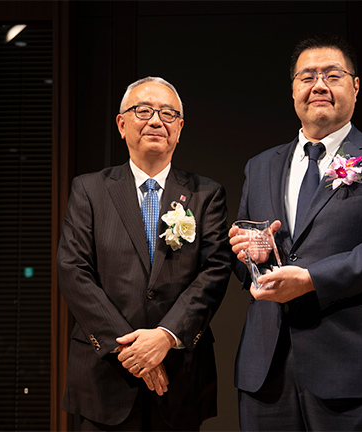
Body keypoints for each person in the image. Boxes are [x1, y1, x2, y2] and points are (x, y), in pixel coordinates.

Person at [229, 34, 362, 431]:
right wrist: (251, 253)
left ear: (355, 87)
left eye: (332, 75)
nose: (318, 84)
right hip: (267, 371)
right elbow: (245, 260)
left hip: (357, 368)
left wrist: (310, 280)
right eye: (307, 77)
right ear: (293, 91)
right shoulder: (261, 166)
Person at [57, 76, 231, 431]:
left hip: (180, 374)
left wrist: (165, 335)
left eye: (168, 114)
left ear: (179, 129)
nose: (156, 121)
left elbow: (215, 271)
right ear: (122, 124)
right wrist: (131, 350)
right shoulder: (89, 189)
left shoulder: (206, 194)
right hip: (105, 373)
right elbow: (73, 270)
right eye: (143, 110)